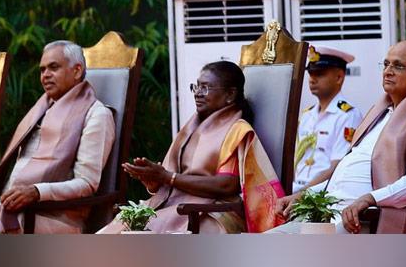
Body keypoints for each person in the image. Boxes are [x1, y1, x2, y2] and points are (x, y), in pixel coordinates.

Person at [269, 40, 406, 233]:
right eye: (386, 64)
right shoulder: (382, 113)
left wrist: (370, 199)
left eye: (398, 66)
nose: (388, 71)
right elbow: (343, 177)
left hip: (367, 219)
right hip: (332, 212)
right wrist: (304, 195)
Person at [0, 41, 115, 234]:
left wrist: (36, 191)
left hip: (54, 216)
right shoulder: (41, 110)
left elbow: (87, 183)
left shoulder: (97, 114)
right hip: (14, 207)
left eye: (53, 68)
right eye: (42, 70)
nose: (45, 75)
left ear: (77, 70)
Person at [98, 60, 283, 233]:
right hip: (174, 205)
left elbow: (226, 185)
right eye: (196, 86)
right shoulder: (192, 127)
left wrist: (167, 177)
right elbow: (173, 177)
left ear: (230, 95)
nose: (197, 93)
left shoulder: (237, 130)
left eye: (206, 87)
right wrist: (155, 182)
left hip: (210, 210)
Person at [292, 45, 363, 192]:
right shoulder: (307, 115)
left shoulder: (348, 115)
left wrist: (302, 193)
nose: (312, 80)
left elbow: (338, 166)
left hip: (322, 194)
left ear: (339, 77)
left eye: (320, 74)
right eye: (311, 74)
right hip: (296, 188)